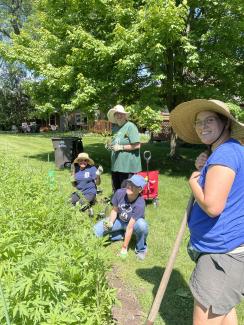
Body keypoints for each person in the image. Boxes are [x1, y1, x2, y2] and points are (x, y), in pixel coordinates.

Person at [170, 99, 244, 325]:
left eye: (209, 120)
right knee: (224, 313)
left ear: (225, 124)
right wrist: (205, 166)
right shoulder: (226, 151)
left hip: (222, 255)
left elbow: (212, 206)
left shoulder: (225, 154)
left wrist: (193, 181)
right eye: (198, 122)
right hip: (228, 251)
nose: (202, 126)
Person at [94, 174, 148, 260]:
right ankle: (121, 235)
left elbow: (130, 227)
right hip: (119, 220)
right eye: (129, 183)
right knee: (96, 229)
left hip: (132, 225)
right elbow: (115, 210)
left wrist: (124, 248)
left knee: (142, 225)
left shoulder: (140, 203)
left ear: (140, 189)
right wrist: (111, 222)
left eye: (134, 185)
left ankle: (141, 249)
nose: (129, 186)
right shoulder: (119, 192)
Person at [107, 104, 142, 191]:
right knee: (116, 187)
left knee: (126, 189)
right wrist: (110, 145)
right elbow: (116, 142)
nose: (118, 116)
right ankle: (117, 202)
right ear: (114, 116)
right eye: (116, 114)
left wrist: (121, 147)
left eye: (120, 114)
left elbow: (137, 145)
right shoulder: (115, 128)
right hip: (116, 164)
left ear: (124, 115)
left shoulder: (130, 126)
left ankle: (127, 204)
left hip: (127, 166)